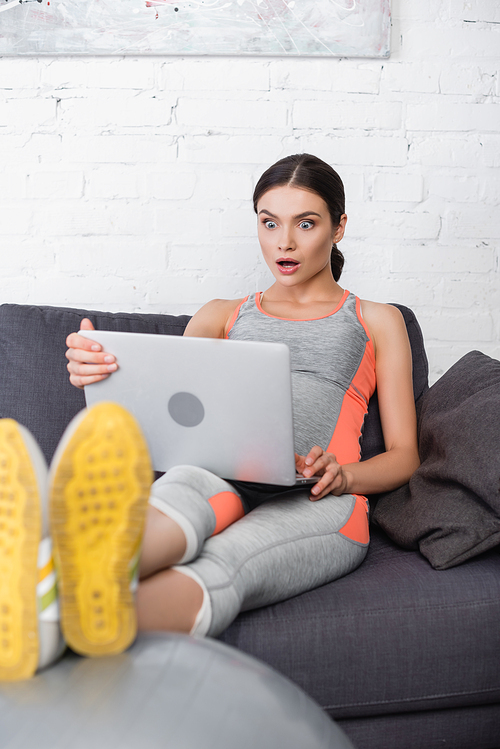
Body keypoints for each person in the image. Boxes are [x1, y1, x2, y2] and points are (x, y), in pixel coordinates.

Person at [0, 154, 419, 680]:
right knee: (179, 494)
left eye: (305, 223)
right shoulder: (221, 314)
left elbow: (406, 455)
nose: (284, 243)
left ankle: (48, 619)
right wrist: (100, 371)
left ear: (339, 228)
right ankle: (59, 565)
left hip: (318, 498)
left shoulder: (376, 320)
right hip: (219, 476)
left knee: (226, 564)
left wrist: (345, 475)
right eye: (269, 223)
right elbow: (162, 406)